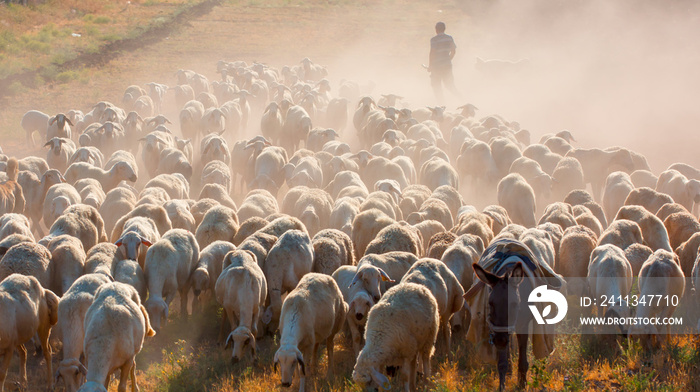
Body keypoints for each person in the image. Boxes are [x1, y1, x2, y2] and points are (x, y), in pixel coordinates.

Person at [428, 22, 460, 103]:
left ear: (436, 29)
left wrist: (430, 65)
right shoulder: (449, 38)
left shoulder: (434, 39)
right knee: (449, 85)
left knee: (436, 86)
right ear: (444, 29)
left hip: (436, 67)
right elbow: (453, 51)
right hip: (447, 65)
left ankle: (442, 104)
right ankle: (461, 99)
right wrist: (448, 60)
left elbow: (432, 53)